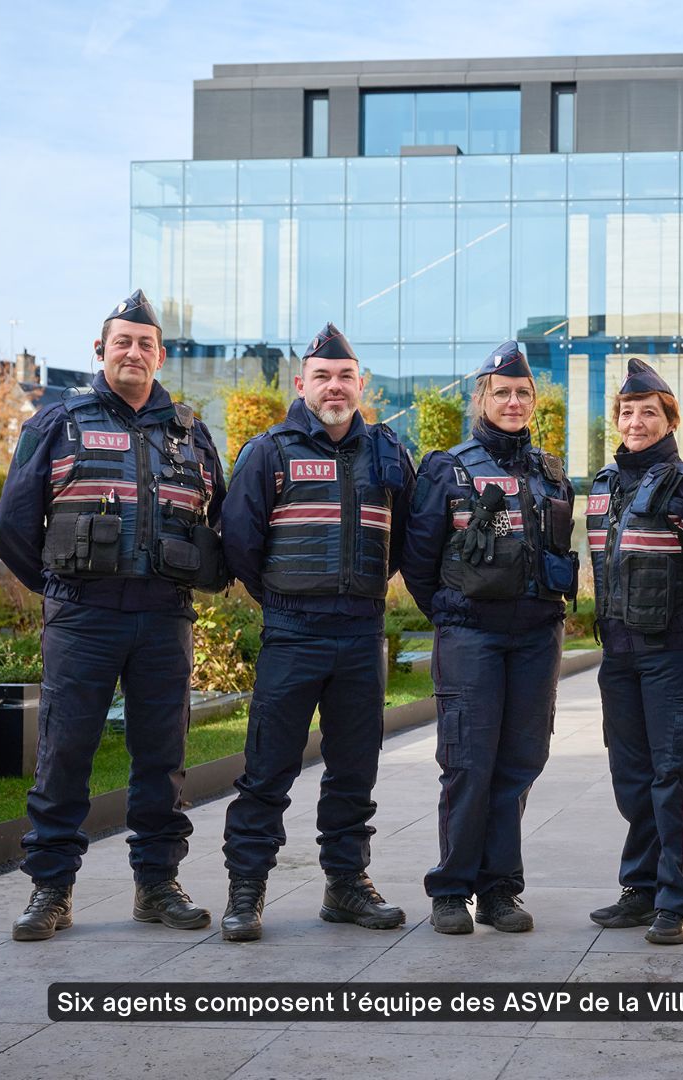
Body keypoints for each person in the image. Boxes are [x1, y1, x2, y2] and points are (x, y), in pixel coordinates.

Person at [0, 289, 227, 941]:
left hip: (164, 618)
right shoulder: (57, 422)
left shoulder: (191, 432)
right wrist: (60, 589)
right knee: (64, 752)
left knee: (163, 757)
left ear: (161, 357)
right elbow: (13, 526)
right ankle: (51, 890)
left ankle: (157, 886)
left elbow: (220, 521)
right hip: (83, 617)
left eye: (146, 344)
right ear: (100, 350)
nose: (133, 352)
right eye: (122, 342)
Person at [218, 323, 415, 941]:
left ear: (362, 385)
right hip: (292, 631)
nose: (335, 386)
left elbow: (405, 539)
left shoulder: (389, 453)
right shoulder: (267, 451)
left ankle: (346, 885)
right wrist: (284, 597)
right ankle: (246, 890)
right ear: (301, 384)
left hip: (361, 632)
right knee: (267, 770)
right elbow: (240, 543)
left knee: (355, 771)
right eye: (323, 377)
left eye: (345, 376)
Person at [400, 341, 578, 935]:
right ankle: (451, 891)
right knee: (468, 763)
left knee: (521, 763)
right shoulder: (446, 469)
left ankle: (500, 891)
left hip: (537, 636)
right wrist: (450, 613)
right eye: (502, 392)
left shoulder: (551, 472)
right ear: (481, 398)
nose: (513, 401)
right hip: (471, 635)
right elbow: (419, 561)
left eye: (523, 393)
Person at [584, 359, 683, 945]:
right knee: (632, 778)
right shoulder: (602, 487)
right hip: (618, 655)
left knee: (673, 778)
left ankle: (677, 903)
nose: (636, 421)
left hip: (674, 654)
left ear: (670, 420)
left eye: (648, 412)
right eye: (627, 412)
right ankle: (641, 888)